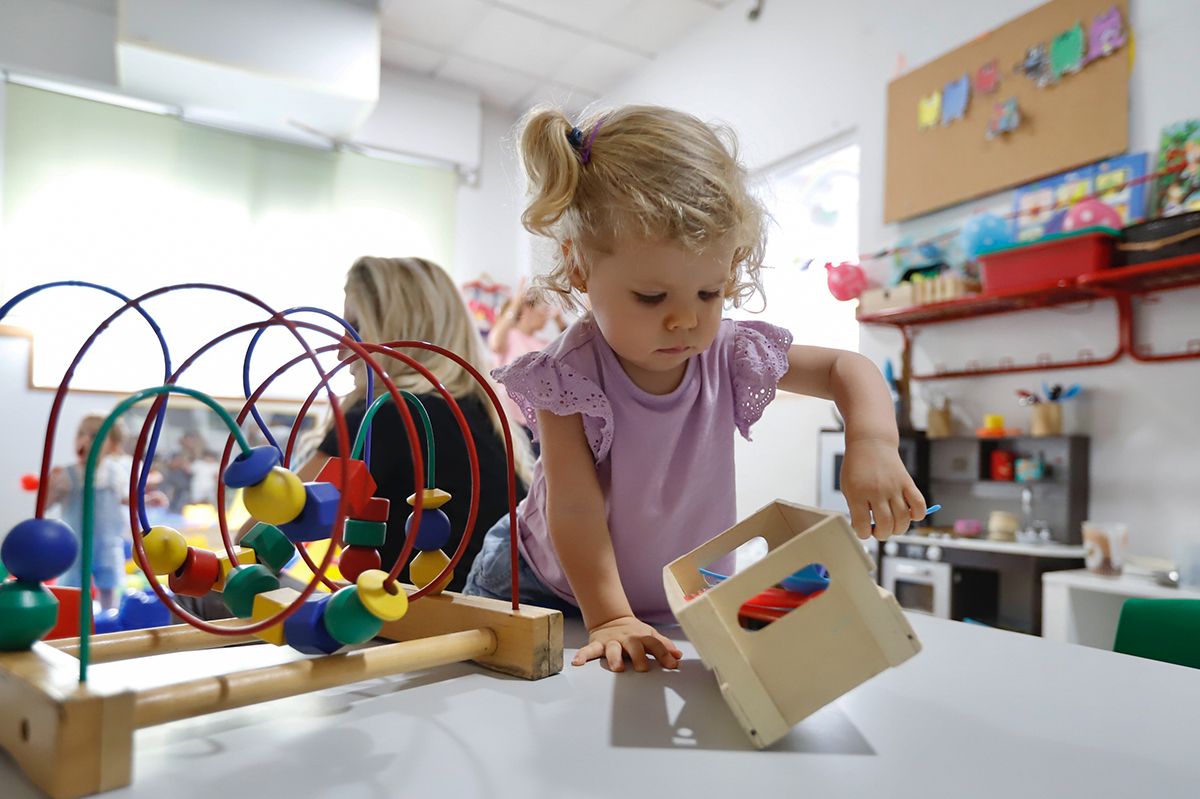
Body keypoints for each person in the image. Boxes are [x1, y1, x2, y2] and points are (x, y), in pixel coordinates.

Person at [462, 105, 928, 673]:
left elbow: (845, 369)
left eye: (709, 294)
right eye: (652, 299)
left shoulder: (726, 351)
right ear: (579, 266)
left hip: (665, 603)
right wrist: (610, 618)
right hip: (543, 586)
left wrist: (874, 443)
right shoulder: (569, 375)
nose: (686, 321)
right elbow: (575, 507)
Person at [284, 256, 534, 594]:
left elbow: (262, 531)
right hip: (489, 617)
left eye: (356, 329)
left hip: (411, 622)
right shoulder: (481, 417)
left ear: (399, 332)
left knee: (202, 594)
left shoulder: (384, 415)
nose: (342, 354)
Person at [46, 412, 132, 611]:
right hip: (74, 545)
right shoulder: (67, 474)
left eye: (94, 435)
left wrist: (147, 501)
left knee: (109, 585)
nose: (85, 439)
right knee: (72, 588)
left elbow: (123, 498)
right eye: (80, 434)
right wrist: (50, 486)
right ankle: (72, 620)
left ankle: (108, 619)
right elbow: (45, 505)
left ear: (112, 445)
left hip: (108, 542)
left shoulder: (115, 472)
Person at [486, 277, 566, 439]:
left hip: (536, 424)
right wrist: (517, 301)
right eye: (543, 308)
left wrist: (560, 322)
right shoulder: (509, 335)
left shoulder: (545, 344)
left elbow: (572, 356)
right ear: (527, 309)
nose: (546, 314)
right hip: (508, 421)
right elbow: (494, 343)